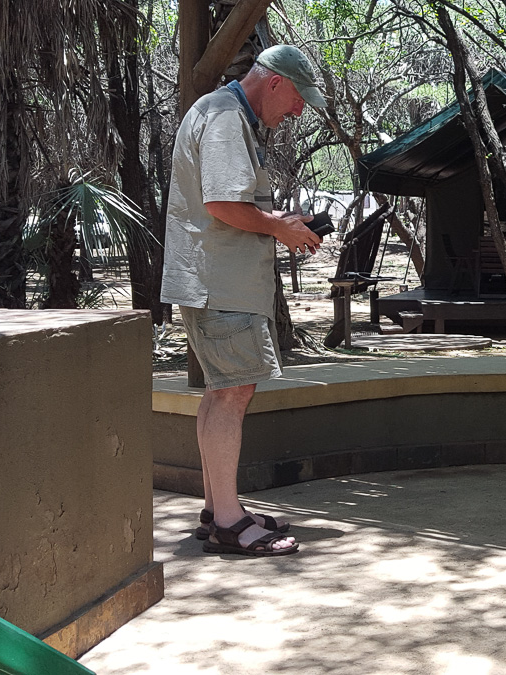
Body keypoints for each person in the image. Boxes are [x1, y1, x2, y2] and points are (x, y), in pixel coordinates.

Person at [160, 45, 328, 557]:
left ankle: (218, 511)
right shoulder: (226, 117)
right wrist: (279, 229)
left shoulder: (223, 113)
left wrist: (279, 223)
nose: (297, 111)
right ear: (275, 82)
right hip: (221, 283)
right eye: (297, 98)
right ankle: (231, 524)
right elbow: (221, 203)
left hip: (214, 280)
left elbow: (228, 202)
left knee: (221, 392)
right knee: (233, 393)